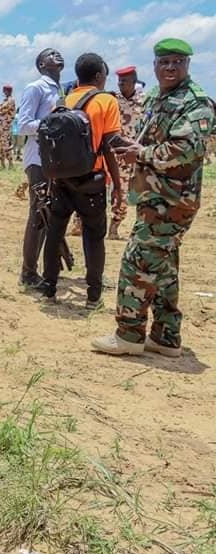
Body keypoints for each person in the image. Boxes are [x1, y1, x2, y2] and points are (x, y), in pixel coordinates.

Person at [92, 38, 213, 358]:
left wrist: (141, 154)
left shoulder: (195, 101)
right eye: (164, 61)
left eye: (177, 61)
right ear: (155, 65)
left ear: (187, 65)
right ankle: (165, 337)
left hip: (173, 199)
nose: (170, 67)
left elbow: (187, 149)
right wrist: (131, 146)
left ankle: (129, 334)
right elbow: (152, 139)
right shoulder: (161, 97)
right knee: (163, 267)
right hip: (155, 195)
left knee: (137, 261)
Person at [35, 53, 122, 308]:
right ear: (98, 76)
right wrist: (117, 183)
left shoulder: (63, 101)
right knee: (94, 236)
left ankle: (49, 289)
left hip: (62, 180)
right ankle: (93, 296)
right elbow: (109, 145)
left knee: (55, 232)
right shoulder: (106, 101)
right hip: (92, 180)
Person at [17, 48, 65, 288]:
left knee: (52, 216)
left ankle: (44, 267)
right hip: (38, 160)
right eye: (51, 54)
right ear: (41, 64)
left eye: (58, 53)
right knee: (38, 215)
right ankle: (28, 273)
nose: (57, 55)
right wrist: (53, 124)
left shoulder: (62, 89)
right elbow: (23, 125)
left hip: (59, 163)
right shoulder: (35, 88)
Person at [110, 65, 144, 240]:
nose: (121, 84)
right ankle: (80, 224)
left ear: (134, 82)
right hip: (109, 153)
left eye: (125, 81)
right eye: (119, 81)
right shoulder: (112, 100)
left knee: (123, 191)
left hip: (129, 155)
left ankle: (114, 228)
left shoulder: (144, 102)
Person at [0, 85, 16, 169]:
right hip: (1, 126)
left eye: (4, 90)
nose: (3, 92)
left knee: (6, 145)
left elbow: (1, 110)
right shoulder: (5, 100)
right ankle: (2, 164)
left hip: (6, 126)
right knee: (0, 145)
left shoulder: (11, 100)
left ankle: (10, 164)